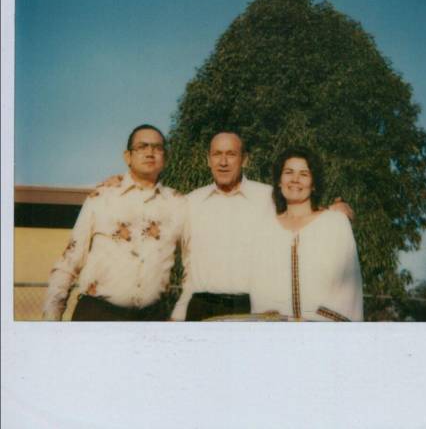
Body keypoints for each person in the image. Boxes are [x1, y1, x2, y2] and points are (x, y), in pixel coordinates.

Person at [171, 132, 354, 321]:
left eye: (231, 154)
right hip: (201, 307)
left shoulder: (268, 197)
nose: (223, 162)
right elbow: (183, 263)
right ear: (208, 160)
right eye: (217, 154)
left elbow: (300, 213)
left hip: (250, 308)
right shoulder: (190, 203)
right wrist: (178, 314)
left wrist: (331, 211)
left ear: (245, 160)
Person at [43, 124, 187, 321]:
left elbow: (192, 263)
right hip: (97, 315)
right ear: (128, 156)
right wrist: (51, 319)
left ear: (166, 157)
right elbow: (70, 260)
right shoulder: (101, 197)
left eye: (157, 147)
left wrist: (179, 315)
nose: (150, 153)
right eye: (142, 147)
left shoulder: (179, 204)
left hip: (152, 319)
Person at [250, 146, 363, 321]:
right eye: (288, 172)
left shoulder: (334, 223)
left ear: (314, 184)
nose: (295, 179)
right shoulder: (265, 229)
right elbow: (258, 287)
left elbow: (348, 286)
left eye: (304, 174)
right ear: (279, 181)